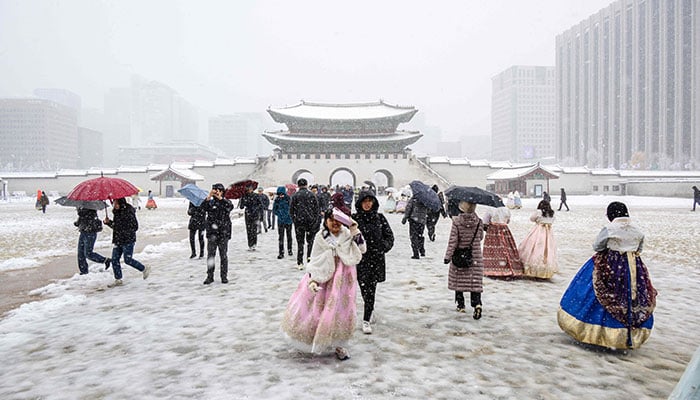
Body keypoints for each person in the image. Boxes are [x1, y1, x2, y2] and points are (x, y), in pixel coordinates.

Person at [558, 201, 657, 350]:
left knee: (601, 294)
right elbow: (639, 249)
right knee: (630, 298)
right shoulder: (637, 231)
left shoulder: (610, 229)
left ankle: (598, 332)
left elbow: (598, 246)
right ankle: (626, 334)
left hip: (609, 265)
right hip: (633, 268)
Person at [281, 208, 366, 360]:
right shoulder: (320, 237)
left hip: (344, 281)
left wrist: (354, 229)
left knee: (341, 312)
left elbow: (362, 249)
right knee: (319, 311)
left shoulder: (347, 235)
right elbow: (314, 259)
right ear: (325, 221)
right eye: (331, 220)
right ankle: (314, 340)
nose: (335, 223)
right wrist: (313, 279)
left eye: (338, 221)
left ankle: (339, 344)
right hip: (324, 278)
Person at [352, 190, 394, 334]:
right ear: (360, 203)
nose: (367, 204)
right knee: (364, 288)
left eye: (370, 201)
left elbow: (389, 237)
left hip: (375, 259)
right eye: (365, 201)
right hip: (360, 260)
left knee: (371, 290)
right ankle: (369, 309)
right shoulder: (354, 219)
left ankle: (366, 319)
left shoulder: (380, 218)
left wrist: (382, 247)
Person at [443, 201, 484, 319]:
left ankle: (460, 305)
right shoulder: (479, 222)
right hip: (474, 256)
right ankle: (477, 304)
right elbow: (480, 237)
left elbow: (453, 241)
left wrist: (448, 256)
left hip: (459, 255)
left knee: (459, 280)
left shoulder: (456, 222)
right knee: (474, 282)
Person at [103, 197, 150, 286]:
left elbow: (135, 226)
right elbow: (116, 227)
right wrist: (109, 222)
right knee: (114, 260)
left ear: (121, 202)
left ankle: (144, 268)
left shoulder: (128, 211)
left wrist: (123, 228)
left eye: (116, 203)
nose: (114, 205)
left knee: (127, 260)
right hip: (118, 239)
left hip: (128, 239)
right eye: (114, 203)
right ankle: (118, 279)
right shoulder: (116, 212)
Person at [200, 183, 234, 284]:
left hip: (223, 232)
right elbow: (202, 208)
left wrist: (221, 198)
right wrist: (209, 196)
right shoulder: (210, 203)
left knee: (223, 255)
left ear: (222, 191)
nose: (216, 192)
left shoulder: (226, 201)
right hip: (212, 233)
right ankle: (210, 276)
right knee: (211, 256)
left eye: (218, 190)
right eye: (214, 190)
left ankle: (224, 276)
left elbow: (229, 207)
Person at [518, 200, 558, 279]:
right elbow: (552, 220)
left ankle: (531, 266)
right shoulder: (551, 213)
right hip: (548, 233)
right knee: (547, 249)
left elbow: (532, 219)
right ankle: (545, 266)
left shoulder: (539, 212)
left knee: (534, 246)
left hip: (539, 230)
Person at [481, 206, 523, 278]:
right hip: (504, 229)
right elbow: (508, 221)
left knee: (494, 249)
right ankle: (508, 266)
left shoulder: (490, 209)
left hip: (493, 230)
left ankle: (494, 268)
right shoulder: (506, 209)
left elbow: (485, 221)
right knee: (506, 247)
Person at [289, 178, 321, 269]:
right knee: (310, 242)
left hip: (299, 222)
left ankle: (300, 262)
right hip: (310, 222)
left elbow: (291, 210)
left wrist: (295, 220)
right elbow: (316, 209)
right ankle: (309, 260)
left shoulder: (295, 196)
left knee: (300, 242)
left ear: (298, 185)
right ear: (306, 185)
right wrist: (314, 220)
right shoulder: (312, 195)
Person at [74, 206, 110, 275]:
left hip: (90, 233)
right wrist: (77, 223)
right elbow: (81, 220)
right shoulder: (82, 211)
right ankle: (83, 271)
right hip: (83, 232)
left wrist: (80, 213)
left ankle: (105, 260)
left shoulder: (90, 209)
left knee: (88, 253)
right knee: (80, 253)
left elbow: (89, 218)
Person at [272, 186, 294, 259]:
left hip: (288, 220)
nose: (281, 195)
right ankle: (281, 252)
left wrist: (289, 214)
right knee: (281, 237)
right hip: (280, 221)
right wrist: (279, 214)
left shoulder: (288, 199)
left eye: (282, 194)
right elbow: (274, 210)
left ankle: (289, 249)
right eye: (279, 194)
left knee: (289, 236)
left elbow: (292, 208)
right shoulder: (277, 200)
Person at [239, 185, 263, 251]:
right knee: (249, 230)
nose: (249, 190)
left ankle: (254, 244)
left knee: (254, 230)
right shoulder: (244, 196)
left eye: (250, 189)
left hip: (255, 214)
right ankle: (250, 244)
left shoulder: (256, 195)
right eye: (248, 189)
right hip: (248, 214)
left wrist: (260, 214)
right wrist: (242, 199)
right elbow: (241, 206)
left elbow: (260, 205)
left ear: (252, 189)